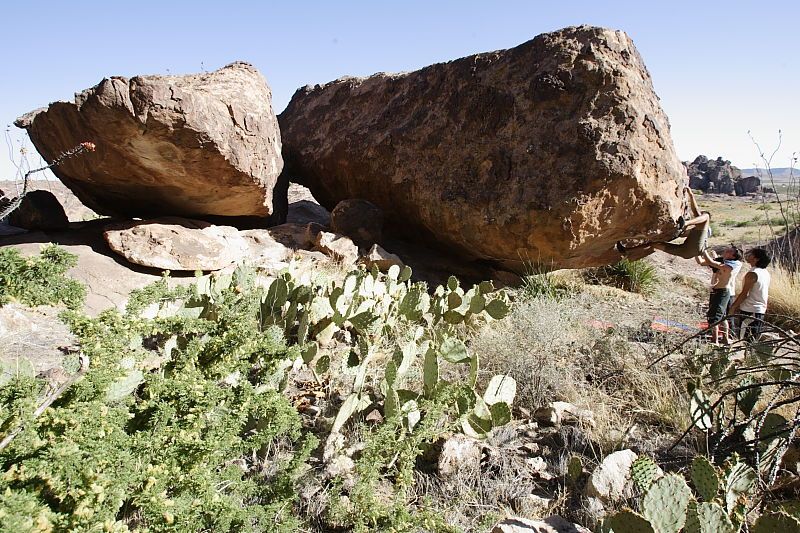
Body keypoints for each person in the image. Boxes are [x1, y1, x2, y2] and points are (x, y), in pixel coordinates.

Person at [616, 188, 711, 260]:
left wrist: (691, 196)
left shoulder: (705, 227)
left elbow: (697, 213)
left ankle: (685, 223)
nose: (699, 216)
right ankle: (626, 251)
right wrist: (691, 195)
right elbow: (683, 233)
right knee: (655, 244)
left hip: (693, 249)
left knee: (706, 216)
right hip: (686, 252)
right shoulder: (698, 229)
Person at [695, 245, 743, 344]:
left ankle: (716, 339)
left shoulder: (734, 264)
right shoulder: (723, 261)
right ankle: (723, 338)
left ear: (734, 256)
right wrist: (696, 251)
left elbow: (713, 263)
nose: (726, 251)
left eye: (729, 251)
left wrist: (703, 251)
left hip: (724, 291)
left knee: (716, 316)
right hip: (717, 290)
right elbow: (703, 262)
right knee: (721, 316)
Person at [730, 248, 771, 341]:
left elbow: (745, 294)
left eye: (751, 254)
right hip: (759, 311)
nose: (748, 255)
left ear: (756, 259)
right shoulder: (765, 272)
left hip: (750, 311)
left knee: (745, 341)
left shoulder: (753, 274)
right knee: (752, 341)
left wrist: (733, 307)